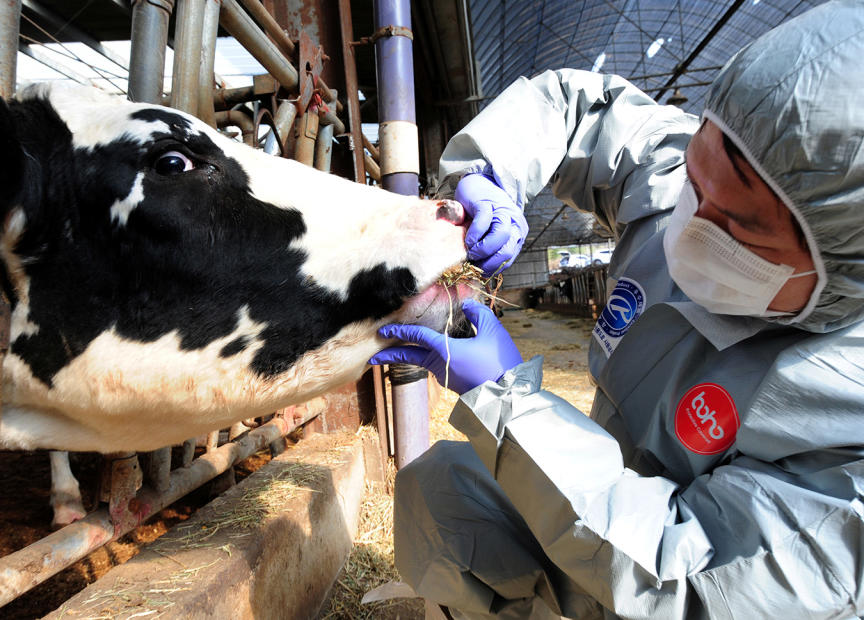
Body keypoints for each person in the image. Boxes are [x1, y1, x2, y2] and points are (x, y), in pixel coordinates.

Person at [369, 1, 864, 618]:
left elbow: (689, 580)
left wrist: (510, 399)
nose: (688, 226)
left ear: (845, 263)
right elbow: (579, 111)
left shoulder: (847, 422)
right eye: (695, 180)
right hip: (599, 485)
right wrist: (490, 170)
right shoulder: (687, 176)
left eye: (737, 226)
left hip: (666, 575)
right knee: (445, 493)